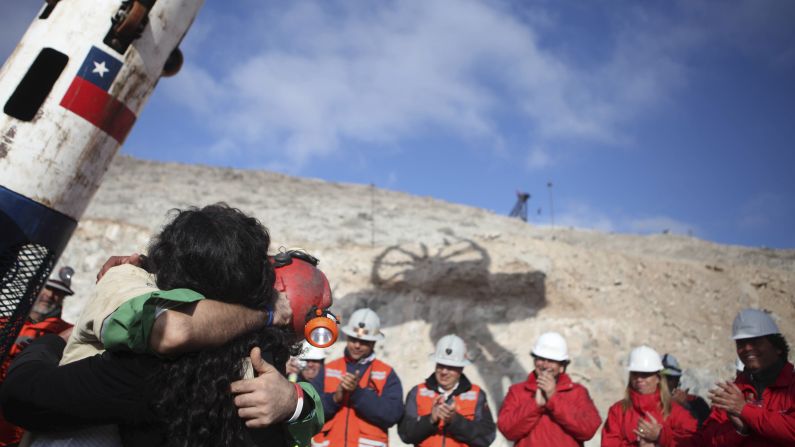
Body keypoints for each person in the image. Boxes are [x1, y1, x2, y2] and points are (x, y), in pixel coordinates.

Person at [1, 204, 322, 446]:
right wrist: (298, 403)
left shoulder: (156, 368)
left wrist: (52, 343)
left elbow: (23, 396)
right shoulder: (267, 363)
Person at [697, 308, 794, 447]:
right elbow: (707, 440)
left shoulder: (792, 386)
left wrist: (745, 411)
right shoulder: (733, 392)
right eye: (741, 343)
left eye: (755, 341)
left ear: (778, 347)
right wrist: (739, 430)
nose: (747, 348)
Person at [0, 271, 75, 446]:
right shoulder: (4, 323)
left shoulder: (68, 333)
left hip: (18, 431)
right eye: (47, 288)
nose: (50, 296)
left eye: (59, 292)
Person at [312, 308, 403, 447]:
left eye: (364, 341)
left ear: (373, 343)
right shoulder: (328, 369)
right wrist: (335, 398)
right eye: (353, 339)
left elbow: (392, 415)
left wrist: (358, 393)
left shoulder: (387, 374)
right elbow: (311, 412)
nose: (357, 345)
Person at [497, 331, 601, 447]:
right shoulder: (517, 392)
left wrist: (553, 398)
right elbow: (507, 430)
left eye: (552, 360)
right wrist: (535, 405)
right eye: (541, 359)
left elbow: (588, 430)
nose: (545, 365)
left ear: (562, 366)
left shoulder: (577, 392)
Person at [398, 334, 496, 447]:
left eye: (451, 367)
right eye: (441, 365)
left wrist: (455, 421)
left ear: (461, 368)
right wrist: (430, 420)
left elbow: (486, 437)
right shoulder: (417, 392)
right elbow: (405, 434)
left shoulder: (477, 395)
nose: (444, 372)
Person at [601, 345, 698, 447]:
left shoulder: (676, 412)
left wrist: (661, 436)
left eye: (645, 374)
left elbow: (694, 441)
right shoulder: (617, 411)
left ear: (658, 378)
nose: (639, 379)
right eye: (635, 373)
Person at [660, 353, 710, 428]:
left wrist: (686, 406)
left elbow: (703, 430)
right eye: (660, 377)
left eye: (669, 378)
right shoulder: (644, 401)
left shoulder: (697, 403)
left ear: (677, 380)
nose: (663, 382)